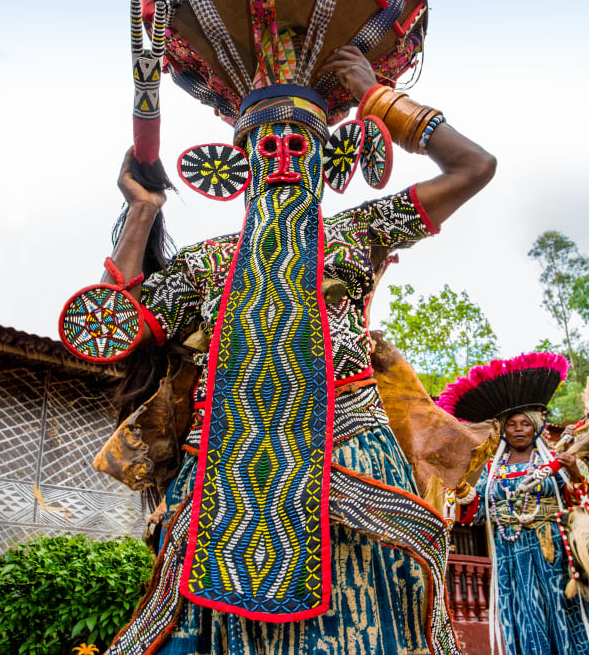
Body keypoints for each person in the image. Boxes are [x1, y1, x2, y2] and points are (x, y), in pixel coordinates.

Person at [97, 46, 495, 655]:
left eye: (299, 143)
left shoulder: (358, 234)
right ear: (237, 164)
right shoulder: (207, 262)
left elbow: (475, 167)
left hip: (350, 456)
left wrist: (380, 99)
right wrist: (143, 210)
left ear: (328, 156)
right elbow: (110, 326)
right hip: (223, 472)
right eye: (267, 143)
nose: (282, 155)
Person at [438, 356, 589, 655]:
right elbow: (478, 512)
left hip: (552, 555)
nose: (518, 429)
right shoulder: (493, 470)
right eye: (511, 424)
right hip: (509, 559)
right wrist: (463, 488)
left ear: (535, 427)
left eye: (524, 424)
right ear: (503, 430)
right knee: (523, 620)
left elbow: (580, 499)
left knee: (562, 616)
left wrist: (571, 471)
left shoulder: (552, 461)